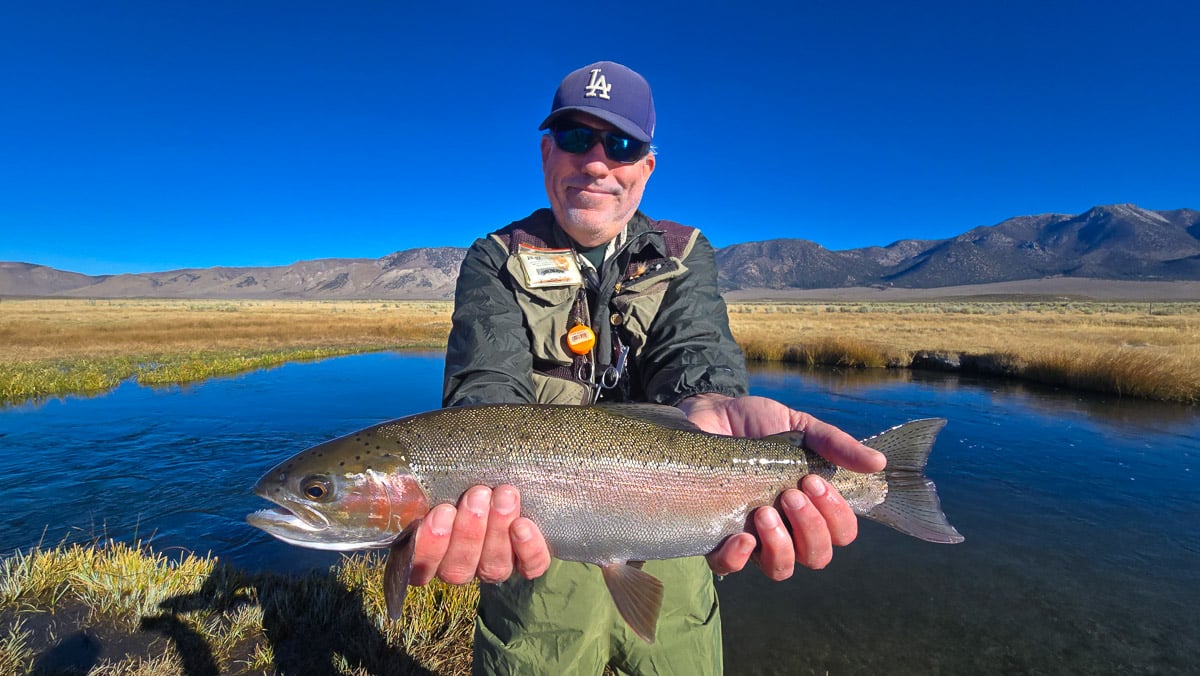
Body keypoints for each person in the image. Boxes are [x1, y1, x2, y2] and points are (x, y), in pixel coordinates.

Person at [412, 61, 886, 674]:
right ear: (546, 153)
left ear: (647, 166)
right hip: (535, 548)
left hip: (676, 531)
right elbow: (485, 389)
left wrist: (710, 401)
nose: (597, 162)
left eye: (623, 144)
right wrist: (468, 484)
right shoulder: (497, 259)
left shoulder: (683, 253)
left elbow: (697, 353)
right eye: (577, 138)